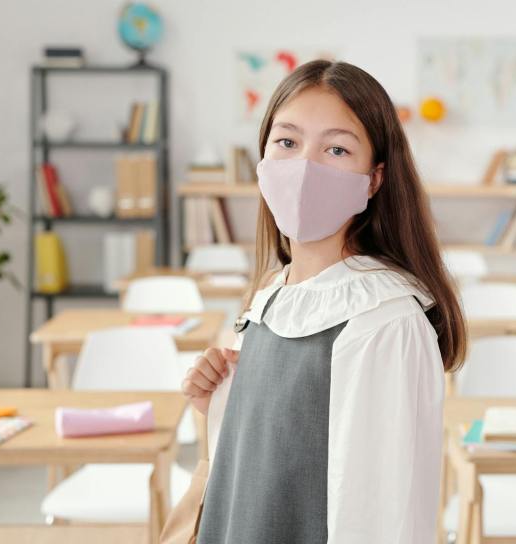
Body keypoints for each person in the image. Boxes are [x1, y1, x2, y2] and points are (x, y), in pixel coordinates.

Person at [182, 59, 466, 543]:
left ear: (374, 179)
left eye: (336, 149)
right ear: (263, 156)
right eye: (287, 142)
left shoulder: (384, 320)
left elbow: (381, 516)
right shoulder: (272, 296)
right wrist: (219, 400)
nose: (305, 168)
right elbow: (263, 468)